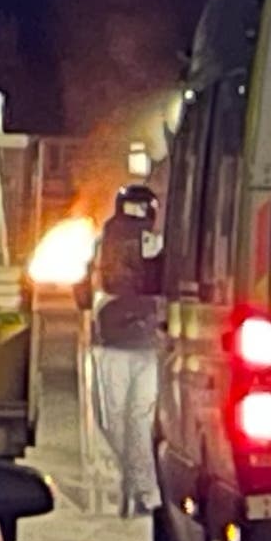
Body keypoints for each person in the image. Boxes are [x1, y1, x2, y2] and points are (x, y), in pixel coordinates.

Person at [80, 182, 165, 518]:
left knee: (131, 419)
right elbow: (87, 282)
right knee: (116, 420)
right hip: (118, 338)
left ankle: (144, 491)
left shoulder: (157, 243)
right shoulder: (107, 241)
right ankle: (137, 484)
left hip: (141, 341)